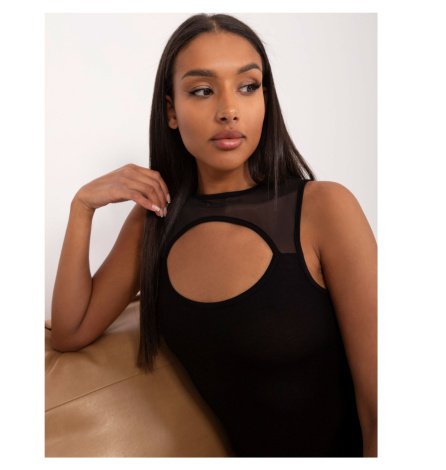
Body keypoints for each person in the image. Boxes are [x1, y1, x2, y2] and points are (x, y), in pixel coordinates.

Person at [51, 13, 377, 458]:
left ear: (266, 99)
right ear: (170, 111)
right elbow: (70, 332)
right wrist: (82, 207)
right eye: (203, 90)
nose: (229, 109)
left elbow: (382, 408)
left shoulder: (324, 209)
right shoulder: (156, 221)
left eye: (248, 86)